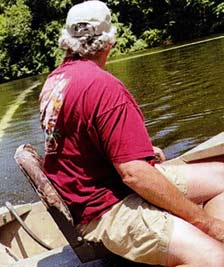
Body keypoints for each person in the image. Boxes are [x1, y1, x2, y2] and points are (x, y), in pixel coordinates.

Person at [39, 1, 224, 266]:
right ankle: (206, 243)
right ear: (109, 42)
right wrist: (207, 224)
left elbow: (84, 144)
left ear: (67, 41)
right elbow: (134, 175)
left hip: (97, 189)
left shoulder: (55, 81)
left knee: (221, 176)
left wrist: (141, 154)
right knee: (215, 259)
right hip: (106, 208)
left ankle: (196, 240)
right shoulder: (104, 88)